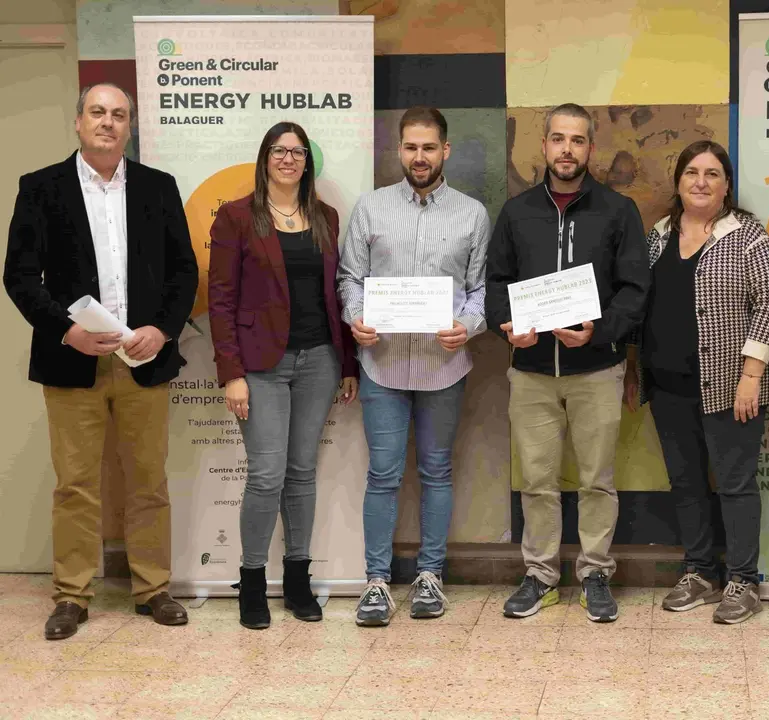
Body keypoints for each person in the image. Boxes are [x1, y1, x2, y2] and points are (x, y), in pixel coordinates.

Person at [4, 83, 198, 640]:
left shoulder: (158, 189)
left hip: (144, 359)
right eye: (98, 113)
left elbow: (184, 271)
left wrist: (161, 329)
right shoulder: (41, 188)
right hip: (72, 361)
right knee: (76, 485)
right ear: (78, 122)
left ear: (129, 126)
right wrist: (66, 330)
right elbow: (19, 276)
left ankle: (153, 588)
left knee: (147, 481)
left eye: (118, 115)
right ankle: (71, 595)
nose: (108, 123)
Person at [486, 103, 650, 623]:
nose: (566, 149)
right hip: (531, 370)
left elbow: (634, 289)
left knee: (597, 479)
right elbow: (495, 284)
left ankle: (596, 572)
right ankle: (540, 575)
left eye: (577, 140)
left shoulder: (617, 210)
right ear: (544, 145)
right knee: (536, 480)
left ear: (590, 148)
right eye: (558, 139)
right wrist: (506, 322)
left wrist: (599, 332)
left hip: (597, 371)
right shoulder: (517, 212)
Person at [338, 107, 490, 626]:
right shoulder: (370, 209)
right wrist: (354, 317)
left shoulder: (472, 214)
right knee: (382, 474)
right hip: (382, 365)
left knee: (437, 471)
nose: (419, 157)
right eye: (410, 147)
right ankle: (376, 583)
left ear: (445, 150)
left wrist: (466, 327)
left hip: (444, 366)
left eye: (429, 147)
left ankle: (430, 577)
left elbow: (481, 289)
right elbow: (349, 278)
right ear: (398, 150)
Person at [624, 141, 769, 623]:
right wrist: (635, 369)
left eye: (712, 173)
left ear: (727, 184)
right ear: (678, 181)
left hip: (729, 387)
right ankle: (699, 571)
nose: (701, 181)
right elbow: (639, 305)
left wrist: (750, 376)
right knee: (686, 483)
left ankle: (743, 579)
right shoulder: (657, 236)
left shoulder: (748, 237)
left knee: (735, 484)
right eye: (692, 172)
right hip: (668, 385)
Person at [208, 121, 359, 630]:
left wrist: (348, 364)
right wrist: (232, 372)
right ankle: (251, 582)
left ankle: (297, 579)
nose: (288, 159)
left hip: (319, 359)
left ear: (307, 162)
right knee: (267, 475)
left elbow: (339, 294)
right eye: (279, 150)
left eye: (297, 152)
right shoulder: (235, 218)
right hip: (261, 365)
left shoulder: (325, 218)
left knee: (301, 474)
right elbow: (221, 300)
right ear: (265, 157)